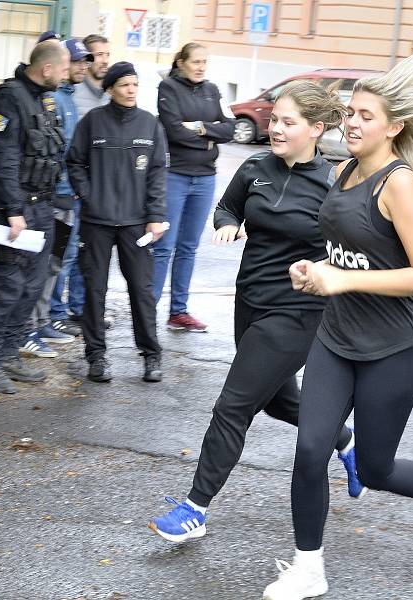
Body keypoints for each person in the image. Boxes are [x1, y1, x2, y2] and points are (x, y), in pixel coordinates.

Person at [263, 42, 413, 600]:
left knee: (376, 465)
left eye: (366, 116)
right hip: (336, 339)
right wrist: (317, 269)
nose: (353, 122)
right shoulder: (342, 172)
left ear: (394, 128)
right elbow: (349, 253)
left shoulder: (400, 183)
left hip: (395, 348)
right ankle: (307, 567)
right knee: (311, 448)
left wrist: (342, 280)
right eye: (349, 113)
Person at [149, 81, 364, 543]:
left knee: (234, 405)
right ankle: (346, 442)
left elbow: (352, 252)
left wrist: (326, 270)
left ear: (316, 129)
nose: (276, 128)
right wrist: (228, 225)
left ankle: (195, 509)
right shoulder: (254, 168)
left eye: (289, 123)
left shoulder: (333, 184)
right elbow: (227, 208)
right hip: (250, 303)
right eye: (276, 120)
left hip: (299, 311)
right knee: (278, 400)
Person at [0, 41, 70, 394]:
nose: (65, 74)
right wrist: (13, 210)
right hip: (12, 209)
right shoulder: (9, 97)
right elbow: (5, 158)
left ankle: (9, 353)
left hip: (42, 207)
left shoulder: (44, 99)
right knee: (6, 287)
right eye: (62, 68)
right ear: (46, 68)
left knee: (32, 285)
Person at [66, 62, 167, 383]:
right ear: (110, 88)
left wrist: (155, 216)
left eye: (135, 85)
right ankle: (96, 356)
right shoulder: (92, 122)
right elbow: (75, 162)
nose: (131, 91)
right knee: (94, 290)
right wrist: (87, 194)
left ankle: (151, 355)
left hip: (136, 224)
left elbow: (157, 174)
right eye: (124, 85)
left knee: (142, 289)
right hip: (97, 220)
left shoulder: (150, 124)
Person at [152, 43, 236, 332]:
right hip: (175, 175)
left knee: (189, 247)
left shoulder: (213, 90)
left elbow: (230, 129)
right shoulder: (168, 89)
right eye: (195, 61)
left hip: (205, 177)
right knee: (164, 246)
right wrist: (210, 134)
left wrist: (199, 127)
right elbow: (173, 130)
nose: (200, 67)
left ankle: (179, 312)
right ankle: (146, 310)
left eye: (204, 62)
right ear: (181, 62)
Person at [22, 38, 95, 358]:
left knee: (56, 264)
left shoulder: (64, 97)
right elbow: (56, 151)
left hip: (69, 196)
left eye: (81, 63)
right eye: (73, 63)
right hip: (54, 196)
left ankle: (43, 320)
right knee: (43, 265)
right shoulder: (50, 97)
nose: (79, 68)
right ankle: (30, 326)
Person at [54, 33, 112, 334]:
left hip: (93, 188)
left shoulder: (109, 94)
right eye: (95, 55)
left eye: (105, 55)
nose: (101, 60)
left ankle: (78, 308)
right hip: (67, 189)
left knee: (82, 252)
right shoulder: (70, 96)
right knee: (63, 256)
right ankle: (54, 313)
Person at [73, 34, 109, 120]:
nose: (105, 61)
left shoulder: (112, 92)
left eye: (107, 55)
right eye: (100, 55)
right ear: (87, 58)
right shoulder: (72, 92)